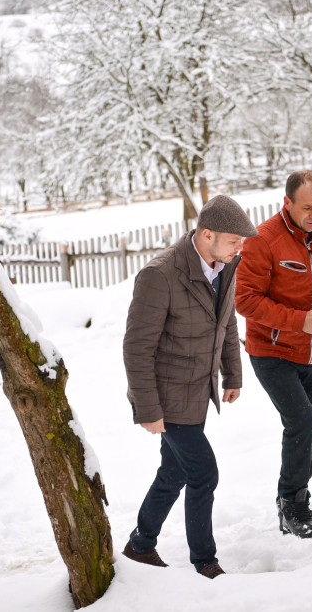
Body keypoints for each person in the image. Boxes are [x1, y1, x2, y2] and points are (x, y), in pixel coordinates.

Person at [121, 195, 258, 578]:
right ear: (207, 234)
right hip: (167, 398)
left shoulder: (225, 264)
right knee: (203, 473)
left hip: (198, 391)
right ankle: (205, 562)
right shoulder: (160, 275)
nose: (240, 248)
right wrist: (148, 409)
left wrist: (232, 374)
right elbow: (136, 348)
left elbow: (226, 321)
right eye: (234, 241)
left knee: (174, 472)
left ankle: (140, 545)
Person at [235, 170, 312, 538]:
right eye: (306, 208)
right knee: (301, 423)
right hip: (272, 351)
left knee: (310, 429)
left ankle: (299, 503)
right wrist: (298, 321)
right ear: (286, 203)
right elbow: (245, 300)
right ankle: (289, 507)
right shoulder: (262, 240)